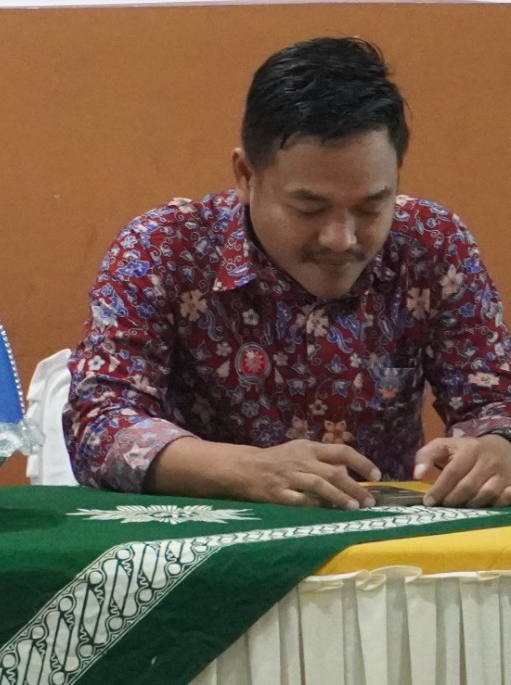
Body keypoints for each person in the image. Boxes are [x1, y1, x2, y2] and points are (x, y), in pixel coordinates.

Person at [67, 37, 511, 509]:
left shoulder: (430, 243)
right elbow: (98, 421)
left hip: (380, 542)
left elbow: (494, 399)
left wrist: (497, 447)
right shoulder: (163, 248)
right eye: (308, 208)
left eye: (370, 208)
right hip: (209, 539)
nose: (341, 239)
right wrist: (243, 470)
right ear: (246, 175)